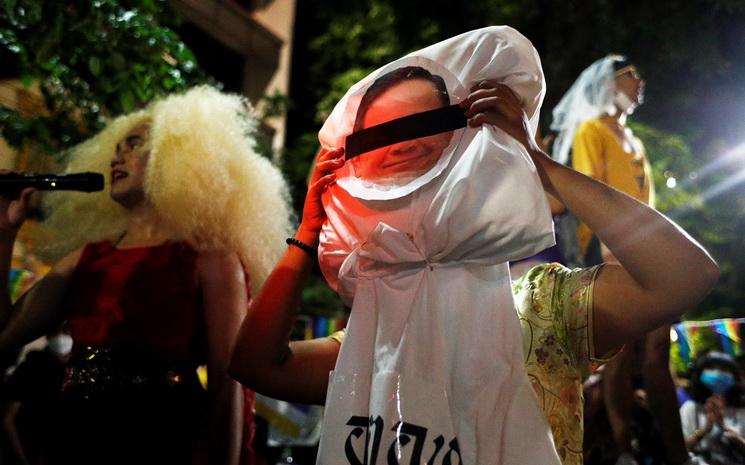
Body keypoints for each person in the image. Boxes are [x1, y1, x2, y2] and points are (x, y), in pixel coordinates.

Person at [229, 76, 719, 465]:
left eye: (428, 141)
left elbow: (685, 274)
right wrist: (306, 234)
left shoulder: (544, 305)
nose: (409, 160)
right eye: (392, 150)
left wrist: (536, 159)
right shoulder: (382, 331)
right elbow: (255, 367)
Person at [0, 86, 293, 465]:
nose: (118, 155)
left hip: (159, 439)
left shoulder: (211, 258)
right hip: (73, 439)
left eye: (134, 144)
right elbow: (4, 333)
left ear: (175, 159)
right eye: (117, 147)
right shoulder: (88, 258)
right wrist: (5, 234)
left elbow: (228, 384)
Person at [551, 55, 689, 465]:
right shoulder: (591, 130)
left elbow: (649, 201)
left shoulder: (635, 139)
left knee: (657, 356)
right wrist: (612, 243)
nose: (640, 82)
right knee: (621, 353)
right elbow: (592, 187)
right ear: (610, 82)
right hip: (611, 244)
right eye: (633, 75)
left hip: (648, 247)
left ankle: (678, 453)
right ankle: (623, 450)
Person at [0, 329, 71, 465]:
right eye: (58, 330)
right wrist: (23, 460)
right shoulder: (31, 367)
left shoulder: (79, 370)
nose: (64, 336)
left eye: (67, 331)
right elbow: (7, 418)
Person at [681, 351, 745, 465]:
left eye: (724, 369)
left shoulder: (741, 410)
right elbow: (679, 451)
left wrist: (726, 430)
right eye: (711, 368)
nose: (717, 373)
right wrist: (705, 429)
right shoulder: (690, 409)